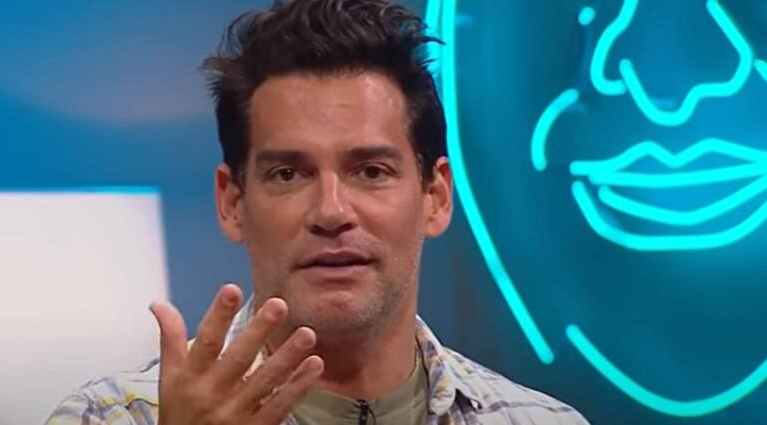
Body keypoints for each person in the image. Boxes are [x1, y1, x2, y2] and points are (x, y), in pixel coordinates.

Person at [46, 0, 589, 424]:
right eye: (289, 174)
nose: (331, 212)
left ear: (436, 196)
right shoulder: (111, 416)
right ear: (232, 203)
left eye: (370, 171)